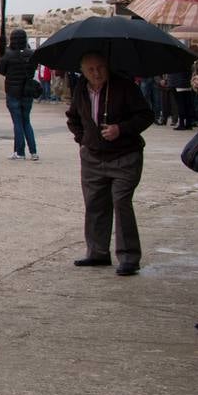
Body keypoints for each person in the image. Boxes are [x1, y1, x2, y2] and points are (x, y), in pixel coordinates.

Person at [65, 52, 154, 275]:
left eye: (100, 68)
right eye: (91, 70)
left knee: (121, 202)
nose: (96, 73)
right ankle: (97, 252)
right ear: (83, 72)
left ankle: (129, 257)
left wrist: (120, 129)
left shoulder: (124, 86)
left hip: (125, 155)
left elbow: (145, 115)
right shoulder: (81, 88)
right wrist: (83, 140)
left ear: (108, 67)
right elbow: (73, 117)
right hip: (93, 156)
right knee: (95, 204)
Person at [0, 28, 40, 160]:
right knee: (26, 121)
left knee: (17, 122)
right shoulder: (31, 54)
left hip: (13, 92)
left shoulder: (8, 55)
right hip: (27, 91)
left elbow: (1, 70)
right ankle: (33, 152)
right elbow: (33, 69)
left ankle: (19, 152)